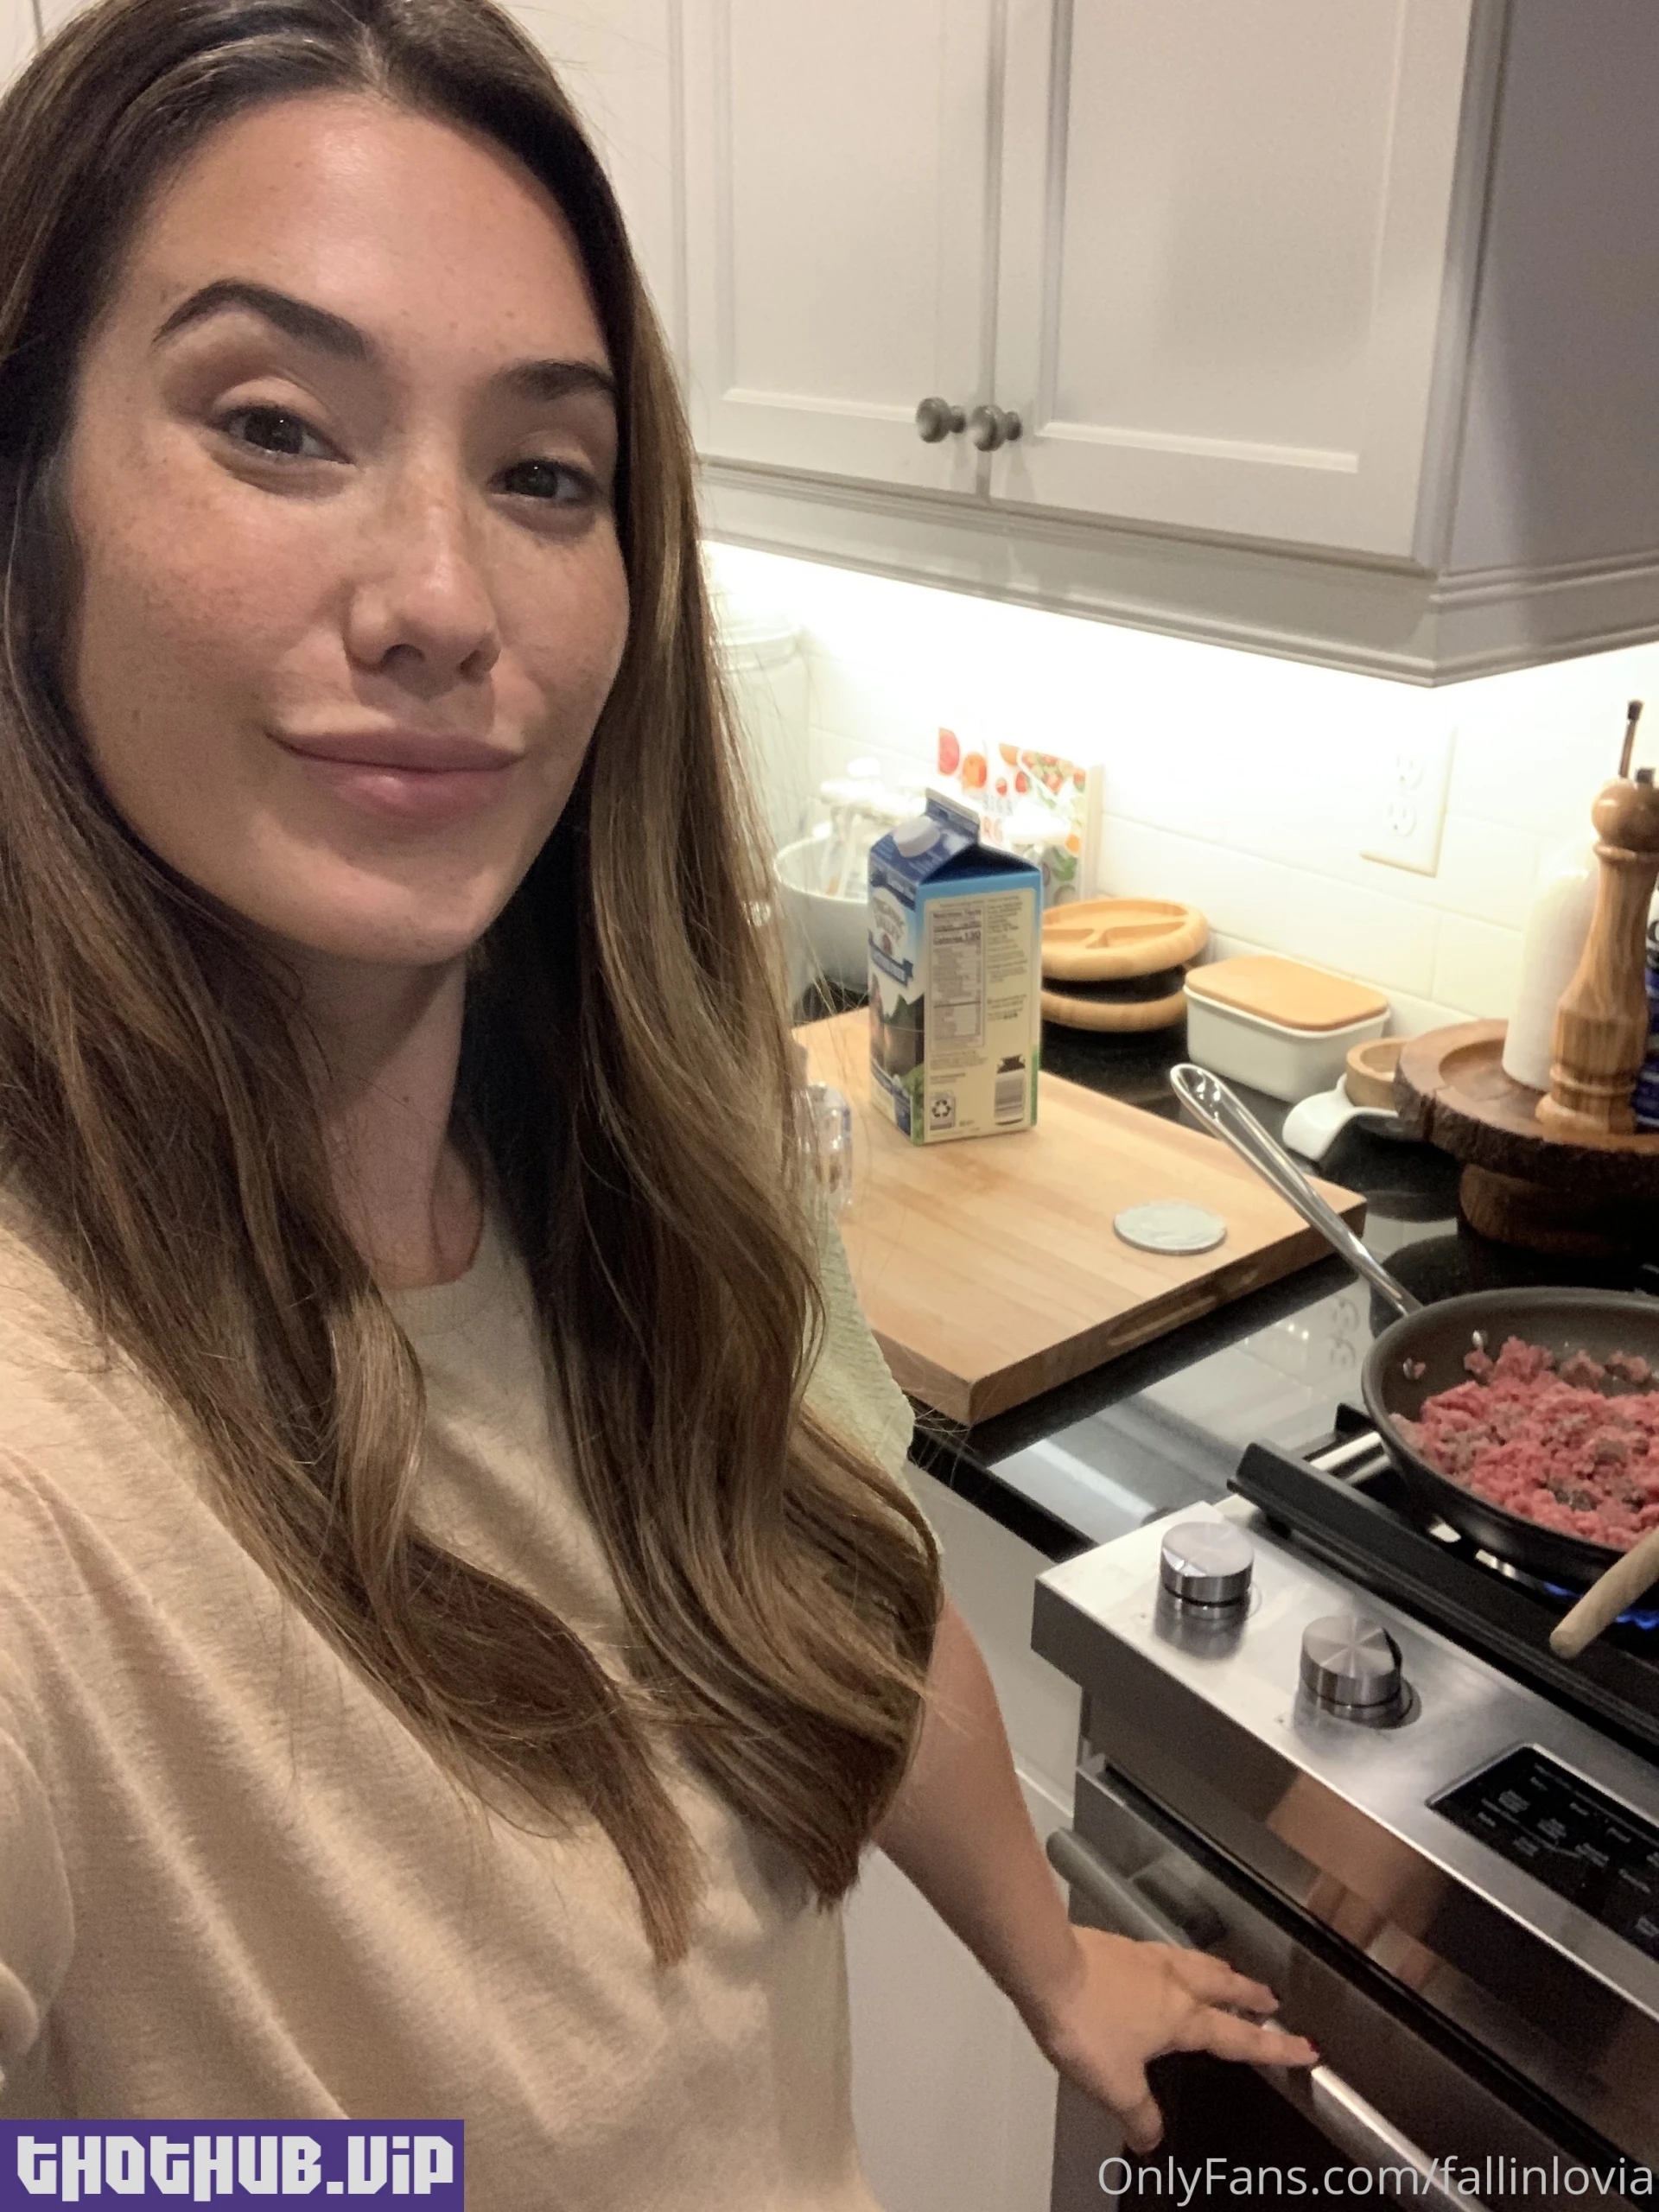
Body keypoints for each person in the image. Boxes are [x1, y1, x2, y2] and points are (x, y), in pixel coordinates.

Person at [0, 0, 1317, 2199]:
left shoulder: (627, 1170)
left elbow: (823, 1572)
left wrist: (1049, 1954)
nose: (443, 598)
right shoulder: (45, 1463)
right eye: (276, 426)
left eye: (545, 472)